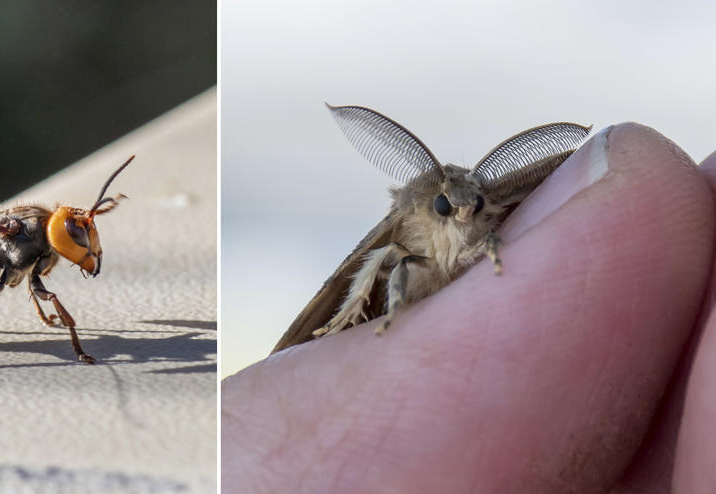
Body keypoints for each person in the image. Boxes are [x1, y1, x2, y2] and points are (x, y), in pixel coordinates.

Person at [221, 123, 716, 492]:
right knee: (386, 259)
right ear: (429, 208)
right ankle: (349, 319)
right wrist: (371, 316)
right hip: (398, 311)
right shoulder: (410, 228)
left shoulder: (481, 214)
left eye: (471, 206)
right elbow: (377, 263)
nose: (462, 215)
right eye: (449, 209)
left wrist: (498, 248)